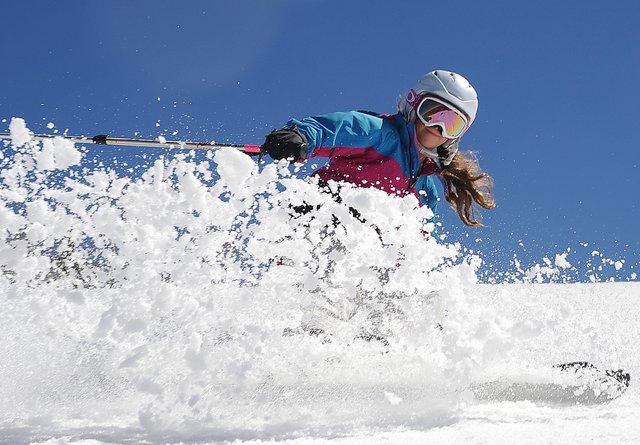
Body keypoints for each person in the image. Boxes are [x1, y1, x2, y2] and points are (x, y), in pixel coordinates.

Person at [260, 69, 495, 229]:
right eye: (432, 112)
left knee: (396, 248)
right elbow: (338, 127)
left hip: (360, 247)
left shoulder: (425, 190)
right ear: (413, 106)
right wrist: (300, 136)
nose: (437, 127)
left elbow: (423, 239)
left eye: (451, 124)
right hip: (316, 215)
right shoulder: (380, 133)